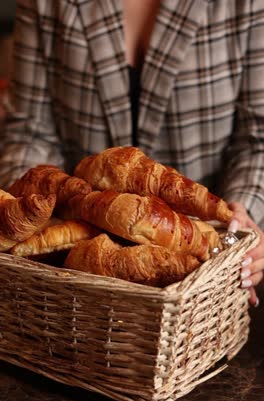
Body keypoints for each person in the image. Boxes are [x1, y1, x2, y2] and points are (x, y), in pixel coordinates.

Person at [0, 0, 263, 305]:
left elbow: (256, 139)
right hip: (75, 285)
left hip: (200, 270)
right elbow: (28, 133)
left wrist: (242, 219)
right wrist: (28, 220)